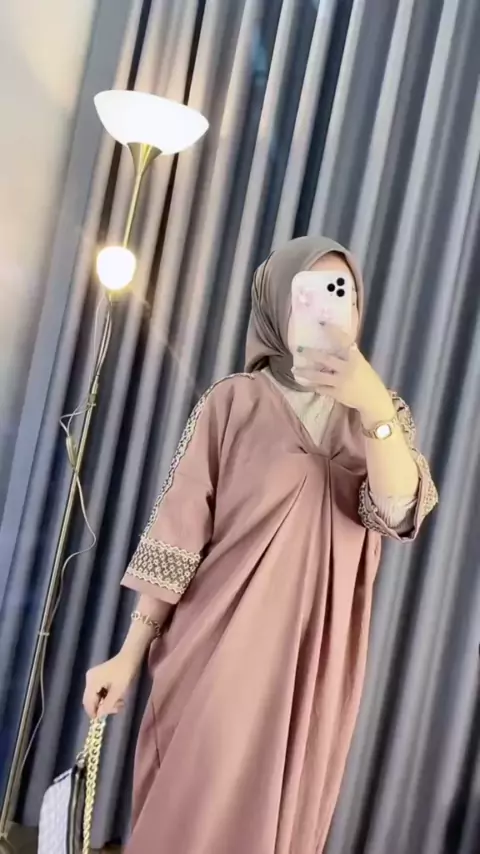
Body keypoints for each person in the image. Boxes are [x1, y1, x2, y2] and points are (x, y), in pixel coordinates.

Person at [83, 236, 438, 854]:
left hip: (315, 662)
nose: (328, 308)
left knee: (283, 819)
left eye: (343, 293)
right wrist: (128, 655)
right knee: (194, 812)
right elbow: (177, 538)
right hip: (216, 648)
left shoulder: (383, 415)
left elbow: (397, 511)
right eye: (309, 294)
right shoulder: (233, 401)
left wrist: (375, 409)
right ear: (276, 304)